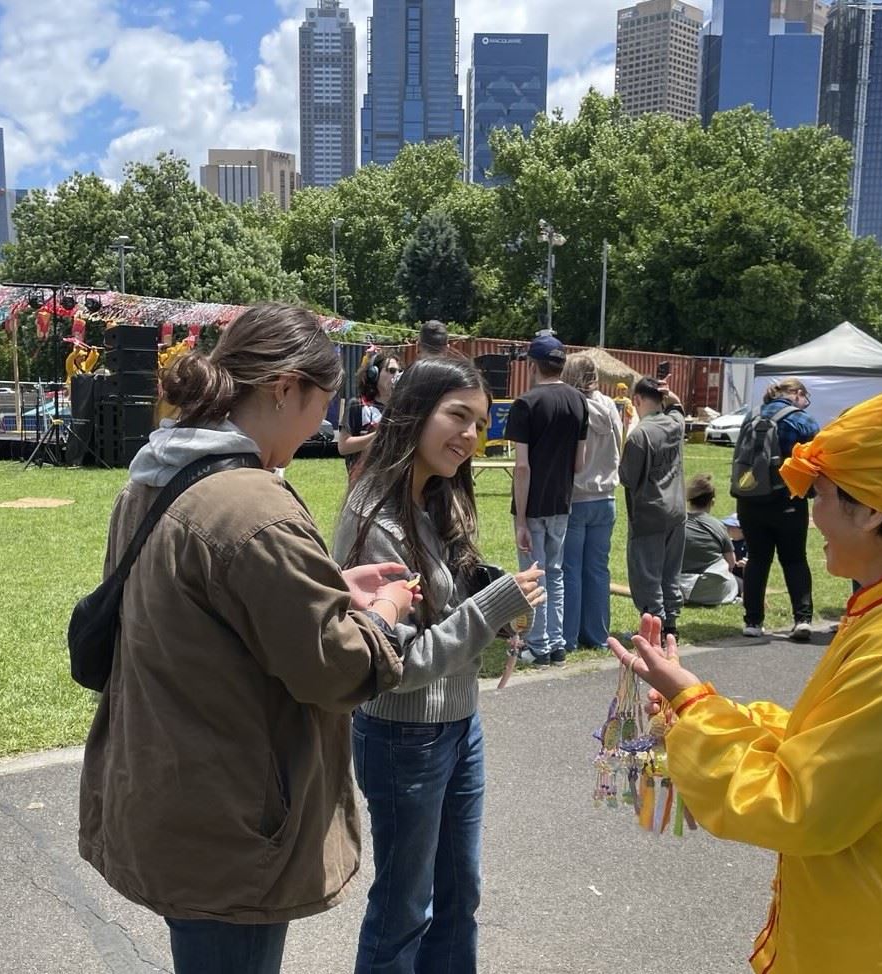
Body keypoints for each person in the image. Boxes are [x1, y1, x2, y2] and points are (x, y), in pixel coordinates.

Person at [610, 388, 882, 974]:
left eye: (819, 494)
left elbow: (797, 804)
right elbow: (830, 738)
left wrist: (695, 709)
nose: (810, 513)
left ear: (872, 509)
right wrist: (700, 701)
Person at [78, 303, 418, 974]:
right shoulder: (255, 506)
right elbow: (337, 669)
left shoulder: (156, 473)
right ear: (286, 387)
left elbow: (196, 607)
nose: (324, 419)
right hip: (233, 817)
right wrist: (382, 615)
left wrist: (325, 587)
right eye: (323, 400)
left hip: (171, 790)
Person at [332, 356, 545, 974]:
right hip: (404, 734)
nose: (470, 437)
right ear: (414, 413)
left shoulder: (440, 495)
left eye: (480, 424)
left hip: (459, 723)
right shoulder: (376, 515)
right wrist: (494, 607)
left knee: (461, 895)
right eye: (457, 416)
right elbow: (400, 660)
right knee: (404, 910)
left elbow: (446, 602)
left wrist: (491, 592)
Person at [507, 333, 588, 666]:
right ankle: (556, 643)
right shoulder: (579, 401)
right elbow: (579, 463)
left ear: (532, 364)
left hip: (534, 503)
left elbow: (522, 467)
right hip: (562, 500)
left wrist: (521, 519)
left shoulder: (525, 404)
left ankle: (538, 645)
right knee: (555, 572)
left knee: (533, 575)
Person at [736, 378, 819, 641]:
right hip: (789, 500)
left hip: (750, 500)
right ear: (795, 393)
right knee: (794, 559)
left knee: (758, 560)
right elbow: (817, 458)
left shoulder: (752, 417)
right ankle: (802, 619)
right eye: (803, 395)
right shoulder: (802, 421)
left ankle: (753, 621)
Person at [560, 353, 623, 651]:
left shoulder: (572, 406)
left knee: (570, 569)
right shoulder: (610, 405)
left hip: (577, 496)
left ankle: (569, 636)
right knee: (598, 569)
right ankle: (597, 635)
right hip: (606, 496)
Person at [620, 377, 687, 639]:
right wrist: (669, 394)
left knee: (647, 576)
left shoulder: (640, 435)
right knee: (671, 572)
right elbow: (678, 407)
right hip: (677, 510)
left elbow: (627, 477)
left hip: (649, 513)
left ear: (636, 400)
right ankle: (670, 626)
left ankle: (653, 629)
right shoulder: (675, 424)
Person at [681, 473, 742, 606]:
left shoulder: (676, 524)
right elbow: (731, 563)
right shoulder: (718, 526)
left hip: (676, 588)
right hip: (712, 591)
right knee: (739, 583)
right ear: (712, 502)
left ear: (689, 500)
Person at [338, 349, 401, 474]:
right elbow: (343, 447)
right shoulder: (358, 405)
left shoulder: (401, 409)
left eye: (399, 371)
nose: (396, 375)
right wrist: (379, 435)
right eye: (391, 371)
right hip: (363, 480)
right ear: (374, 374)